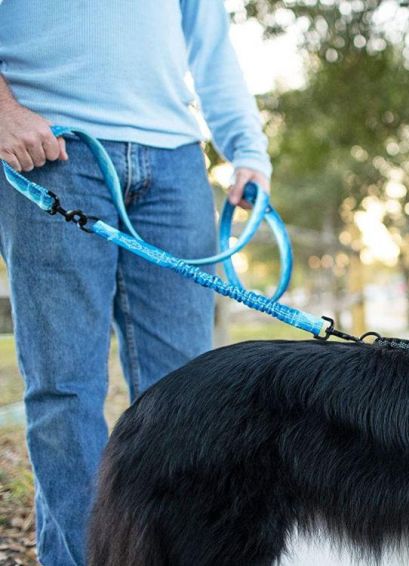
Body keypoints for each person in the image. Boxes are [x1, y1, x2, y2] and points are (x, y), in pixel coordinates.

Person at [0, 2, 271, 564]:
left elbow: (210, 42)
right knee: (65, 388)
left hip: (175, 160)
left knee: (191, 392)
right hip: (50, 145)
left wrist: (247, 149)